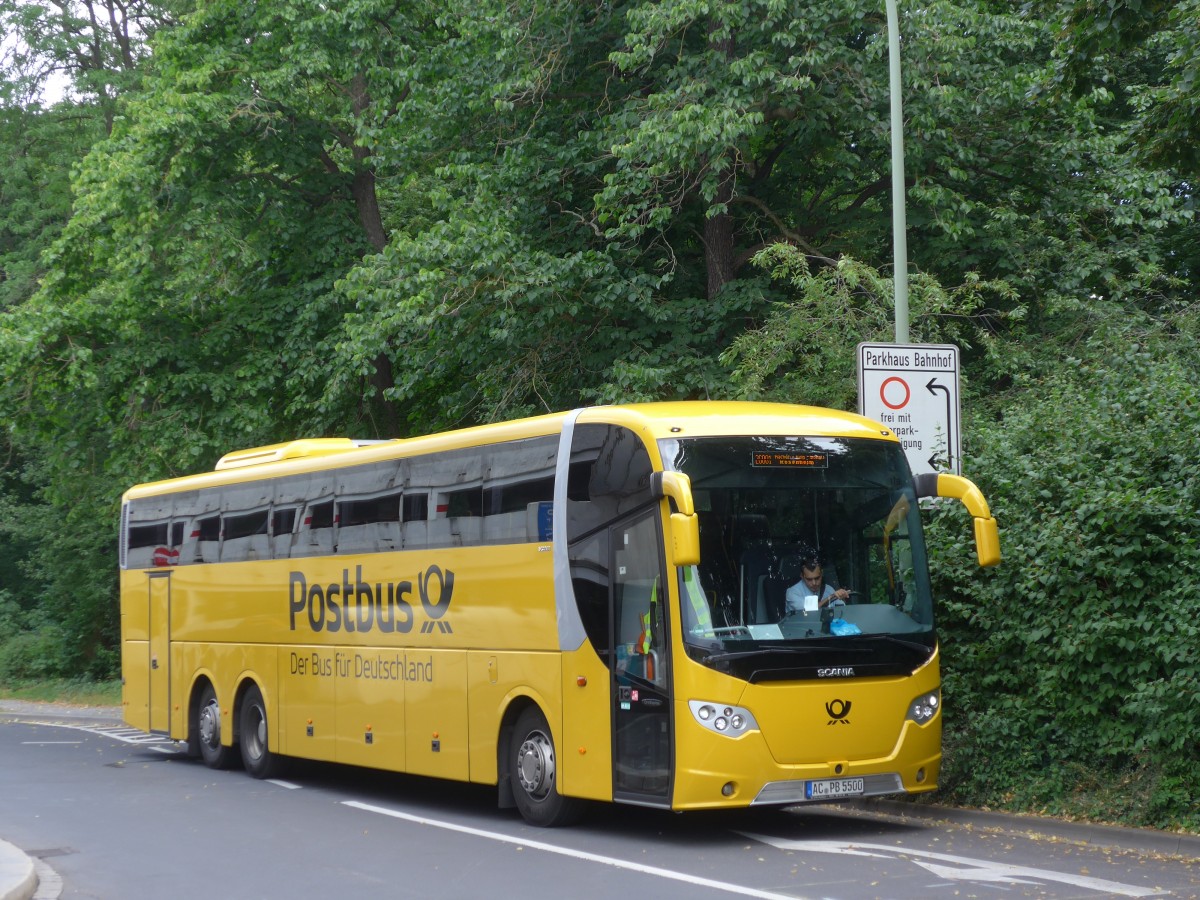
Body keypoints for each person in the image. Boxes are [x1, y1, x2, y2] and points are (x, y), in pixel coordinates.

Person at [784, 553, 850, 614]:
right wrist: (830, 597)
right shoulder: (793, 592)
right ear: (802, 576)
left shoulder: (829, 589)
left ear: (822, 574)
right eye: (809, 579)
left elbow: (842, 611)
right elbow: (809, 610)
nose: (814, 583)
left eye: (817, 578)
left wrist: (843, 596)